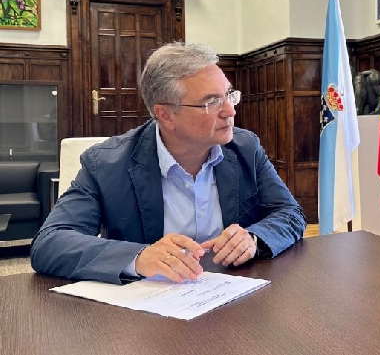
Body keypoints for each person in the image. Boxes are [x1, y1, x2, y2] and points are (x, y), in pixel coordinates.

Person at [31, 42, 306, 284]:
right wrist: (139, 257)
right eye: (212, 102)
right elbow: (50, 244)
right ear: (165, 115)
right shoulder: (105, 163)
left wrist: (254, 239)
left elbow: (290, 214)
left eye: (229, 95)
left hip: (233, 297)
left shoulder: (245, 148)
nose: (230, 111)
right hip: (147, 313)